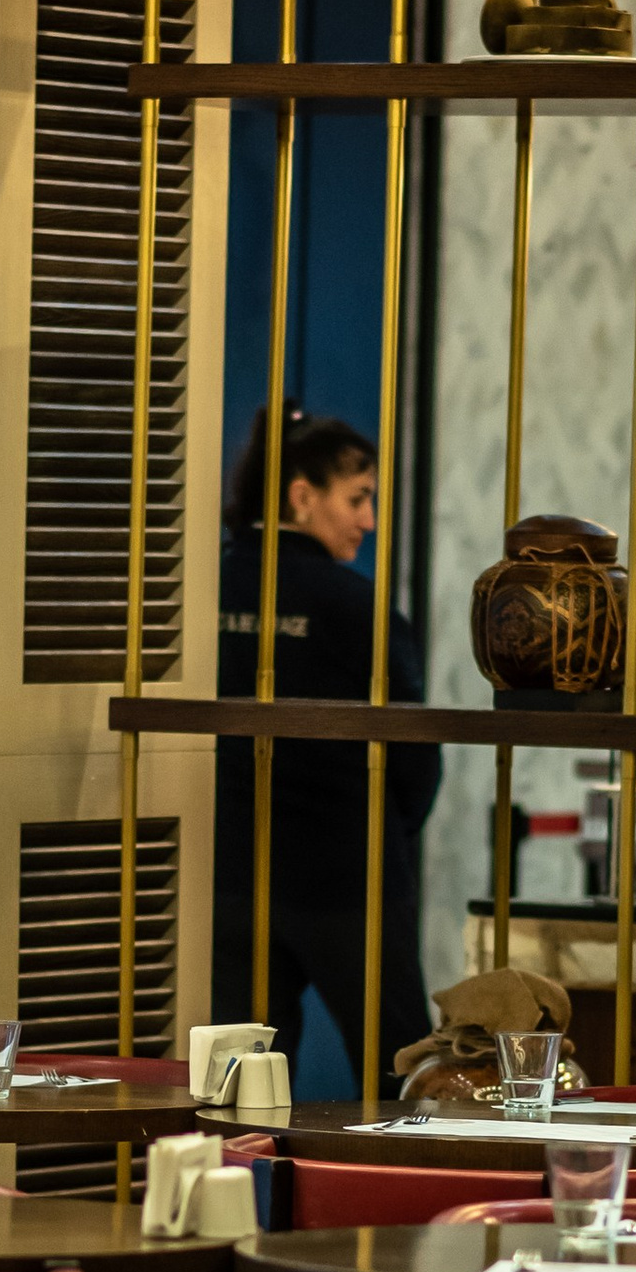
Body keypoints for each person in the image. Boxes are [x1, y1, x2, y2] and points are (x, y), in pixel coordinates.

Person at [211, 406, 441, 1080]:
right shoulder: (356, 604)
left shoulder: (203, 590)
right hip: (351, 876)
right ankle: (387, 1188)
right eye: (358, 498)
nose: (367, 520)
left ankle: (235, 1187)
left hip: (232, 875)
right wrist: (387, 838)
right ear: (302, 496)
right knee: (401, 1074)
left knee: (236, 1083)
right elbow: (416, 756)